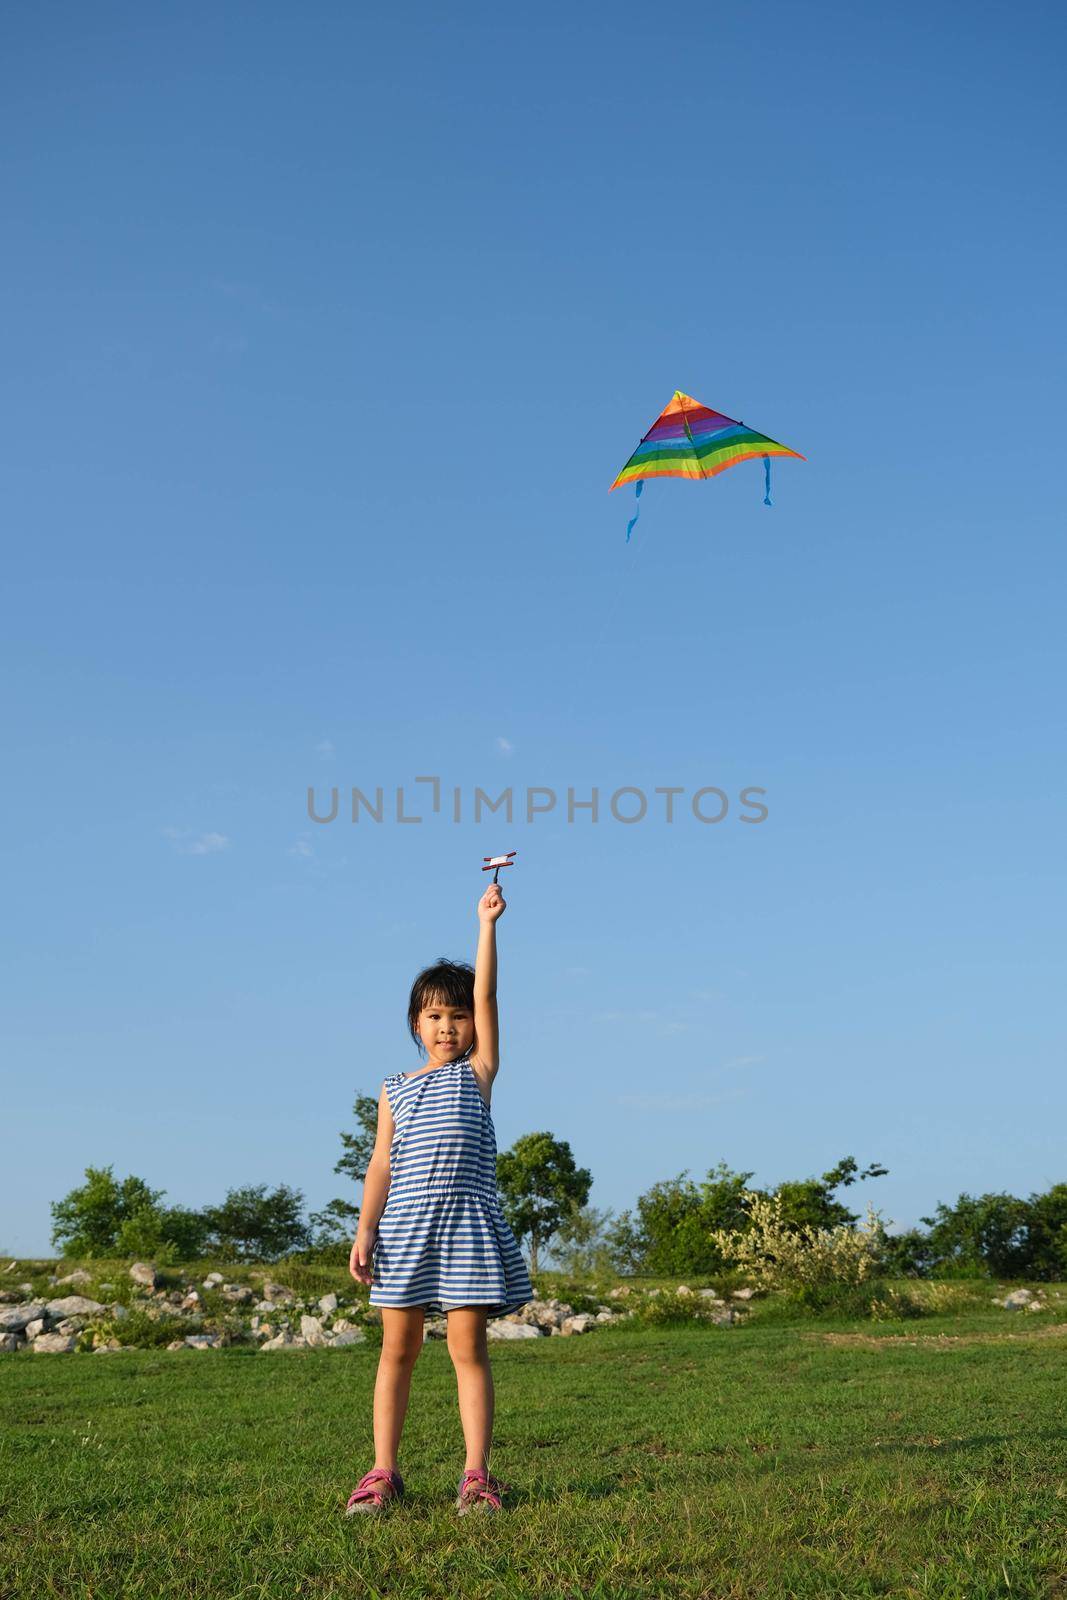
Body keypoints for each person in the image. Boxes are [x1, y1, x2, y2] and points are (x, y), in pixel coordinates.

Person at [345, 876, 532, 1516]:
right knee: (397, 1350)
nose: (448, 1026)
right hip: (402, 1231)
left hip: (467, 1229)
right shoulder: (395, 1088)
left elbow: (488, 988)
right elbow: (379, 1165)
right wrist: (366, 1229)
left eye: (458, 1016)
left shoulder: (477, 1073)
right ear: (415, 1023)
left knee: (467, 1350)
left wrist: (487, 923)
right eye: (434, 1016)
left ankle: (476, 1476)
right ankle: (382, 1474)